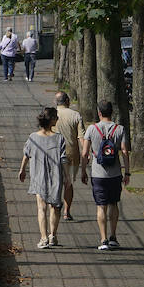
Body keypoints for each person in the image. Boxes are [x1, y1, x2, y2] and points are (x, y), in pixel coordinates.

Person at [81, 99, 131, 250]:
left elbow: (84, 153)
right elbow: (124, 152)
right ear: (112, 112)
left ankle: (103, 240)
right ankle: (113, 237)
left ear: (99, 112)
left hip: (98, 174)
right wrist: (127, 172)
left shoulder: (92, 129)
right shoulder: (120, 129)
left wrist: (83, 171)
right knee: (114, 204)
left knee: (101, 206)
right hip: (115, 173)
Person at [19, 107, 65, 248]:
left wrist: (22, 170)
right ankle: (52, 235)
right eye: (56, 117)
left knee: (41, 207)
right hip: (56, 176)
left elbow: (26, 155)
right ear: (51, 120)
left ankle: (43, 238)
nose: (57, 119)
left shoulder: (33, 137)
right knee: (55, 207)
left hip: (38, 175)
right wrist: (68, 177)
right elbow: (64, 159)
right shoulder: (59, 138)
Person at [54, 92, 85, 220]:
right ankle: (67, 211)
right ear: (67, 100)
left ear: (55, 101)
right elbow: (82, 138)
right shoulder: (76, 115)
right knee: (68, 183)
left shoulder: (51, 114)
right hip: (71, 154)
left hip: (54, 154)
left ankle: (54, 208)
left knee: (55, 183)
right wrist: (86, 153)